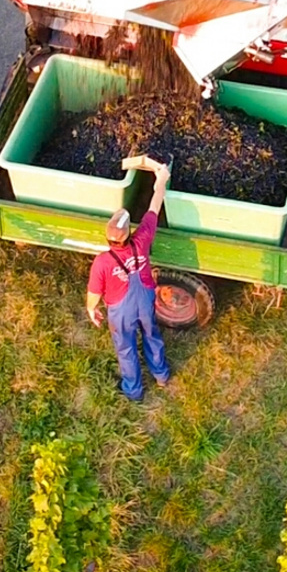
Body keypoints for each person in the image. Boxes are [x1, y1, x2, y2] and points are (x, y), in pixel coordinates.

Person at [85, 156, 174, 402]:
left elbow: (94, 293)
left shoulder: (103, 262)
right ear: (128, 234)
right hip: (145, 298)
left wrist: (91, 310)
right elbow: (154, 206)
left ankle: (134, 390)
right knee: (151, 334)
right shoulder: (142, 239)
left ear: (109, 238)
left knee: (126, 349)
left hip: (120, 310)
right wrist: (161, 180)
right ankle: (161, 375)